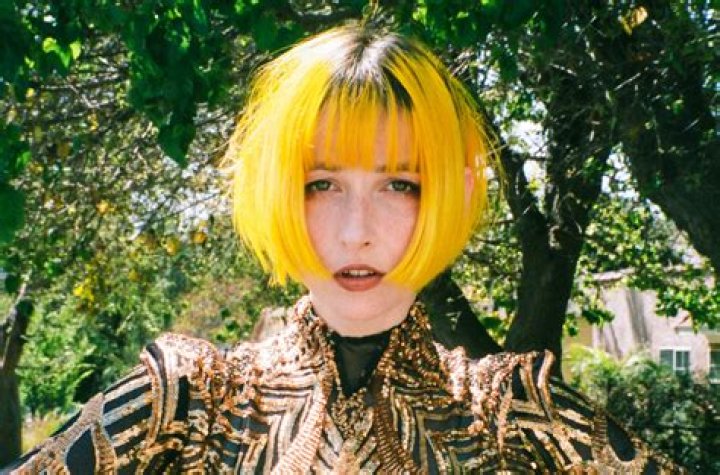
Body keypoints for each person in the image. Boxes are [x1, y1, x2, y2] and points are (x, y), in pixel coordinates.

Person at [6, 21, 681, 474]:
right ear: (274, 189)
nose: (357, 230)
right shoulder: (184, 405)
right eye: (321, 183)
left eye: (400, 184)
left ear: (448, 194)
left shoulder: (513, 419)